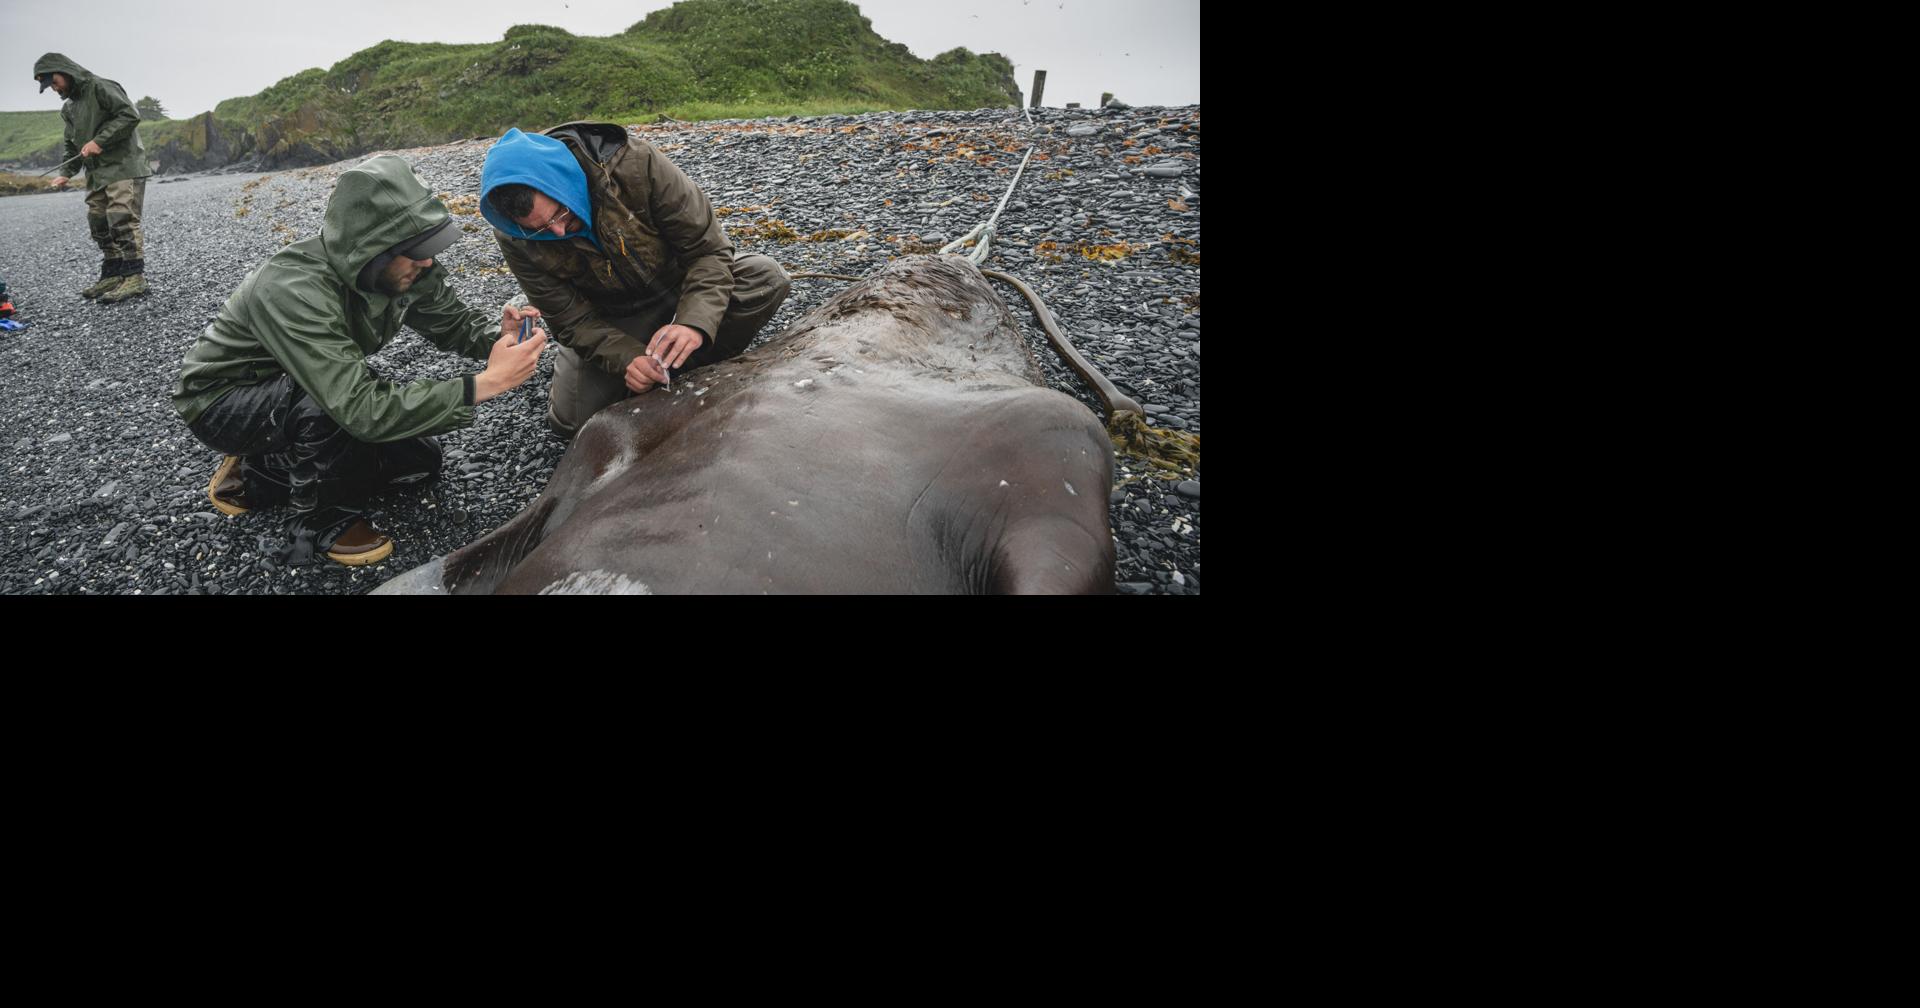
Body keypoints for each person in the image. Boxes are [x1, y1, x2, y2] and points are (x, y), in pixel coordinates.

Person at [171, 154, 549, 566]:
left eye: (430, 247)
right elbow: (359, 408)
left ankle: (266, 466)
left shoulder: (405, 266)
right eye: (416, 252)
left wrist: (500, 338)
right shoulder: (292, 288)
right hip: (225, 401)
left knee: (419, 462)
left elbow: (452, 322)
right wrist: (485, 384)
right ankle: (319, 523)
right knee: (328, 408)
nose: (427, 261)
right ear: (372, 250)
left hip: (311, 376)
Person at [478, 122, 791, 437]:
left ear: (565, 181)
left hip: (681, 286)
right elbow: (570, 321)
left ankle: (682, 358)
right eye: (540, 229)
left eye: (560, 214)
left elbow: (708, 252)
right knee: (571, 422)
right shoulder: (514, 236)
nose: (558, 232)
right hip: (612, 319)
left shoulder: (636, 164)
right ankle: (661, 364)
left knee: (765, 277)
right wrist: (628, 359)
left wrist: (694, 323)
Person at [33, 53, 154, 304]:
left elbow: (129, 115)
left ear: (64, 71)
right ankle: (113, 273)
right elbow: (72, 145)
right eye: (50, 86)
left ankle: (134, 278)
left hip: (123, 166)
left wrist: (100, 141)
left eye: (54, 82)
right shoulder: (69, 108)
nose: (54, 89)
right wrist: (65, 174)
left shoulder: (101, 86)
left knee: (121, 217)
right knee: (98, 220)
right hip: (97, 172)